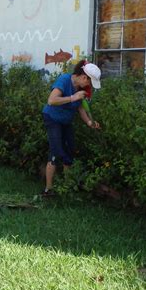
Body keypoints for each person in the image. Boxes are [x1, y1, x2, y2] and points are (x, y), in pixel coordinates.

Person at [41, 60, 101, 197]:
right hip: (52, 118)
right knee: (56, 152)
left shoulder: (81, 88)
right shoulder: (64, 80)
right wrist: (73, 97)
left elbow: (80, 108)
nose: (89, 86)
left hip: (65, 121)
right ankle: (48, 190)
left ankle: (67, 187)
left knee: (69, 150)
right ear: (84, 77)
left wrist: (89, 123)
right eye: (90, 83)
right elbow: (51, 100)